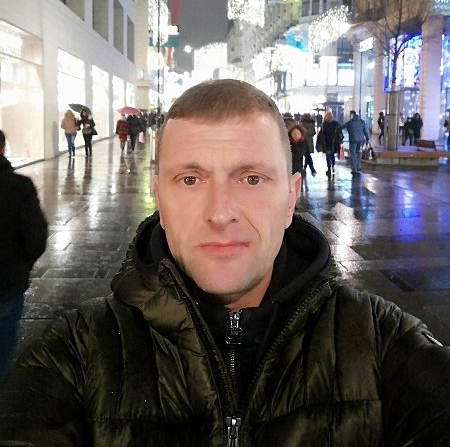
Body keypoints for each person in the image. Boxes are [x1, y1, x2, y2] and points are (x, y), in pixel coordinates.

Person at [0, 79, 449, 445]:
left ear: (290, 198)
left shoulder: (383, 344)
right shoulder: (76, 354)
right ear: (159, 199)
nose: (220, 212)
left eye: (251, 179)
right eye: (190, 179)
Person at [0, 130, 47, 380]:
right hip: (6, 280)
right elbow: (36, 237)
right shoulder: (19, 187)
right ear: (2, 149)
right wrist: (22, 265)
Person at [342, 109, 370, 175]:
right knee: (357, 152)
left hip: (353, 140)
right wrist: (367, 138)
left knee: (353, 153)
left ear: (352, 115)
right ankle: (359, 166)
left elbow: (342, 127)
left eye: (350, 115)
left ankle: (354, 169)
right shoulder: (362, 121)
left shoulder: (350, 122)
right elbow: (365, 131)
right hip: (361, 140)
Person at [316, 111, 343, 176]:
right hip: (334, 143)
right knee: (332, 155)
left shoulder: (324, 124)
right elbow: (340, 133)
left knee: (328, 156)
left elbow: (321, 134)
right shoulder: (336, 124)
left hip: (326, 142)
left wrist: (319, 143)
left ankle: (329, 169)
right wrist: (340, 141)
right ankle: (333, 167)